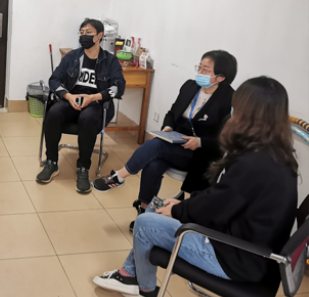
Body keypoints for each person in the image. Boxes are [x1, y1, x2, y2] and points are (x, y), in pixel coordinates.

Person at [93, 76, 299, 297]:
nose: (232, 112)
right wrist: (179, 206)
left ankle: (145, 289)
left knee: (144, 223)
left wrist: (179, 210)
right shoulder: (274, 154)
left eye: (236, 107)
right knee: (157, 205)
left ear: (249, 114)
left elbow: (217, 205)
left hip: (234, 257)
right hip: (237, 241)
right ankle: (129, 274)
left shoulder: (255, 164)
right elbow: (222, 197)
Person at [92, 50, 237, 230]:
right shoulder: (190, 87)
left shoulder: (230, 100)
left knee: (157, 146)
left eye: (205, 70)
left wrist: (199, 142)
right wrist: (167, 127)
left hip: (201, 154)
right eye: (199, 67)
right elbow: (171, 113)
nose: (200, 72)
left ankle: (119, 176)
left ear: (220, 77)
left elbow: (225, 141)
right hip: (176, 143)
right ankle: (144, 212)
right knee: (153, 164)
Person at [37, 19, 126, 193]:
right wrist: (68, 96)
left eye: (88, 33)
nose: (84, 36)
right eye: (82, 33)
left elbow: (118, 87)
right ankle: (51, 163)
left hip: (95, 103)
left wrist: (93, 97)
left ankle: (83, 168)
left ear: (99, 36)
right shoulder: (72, 57)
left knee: (88, 118)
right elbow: (54, 80)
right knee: (53, 113)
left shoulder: (110, 61)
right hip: (71, 99)